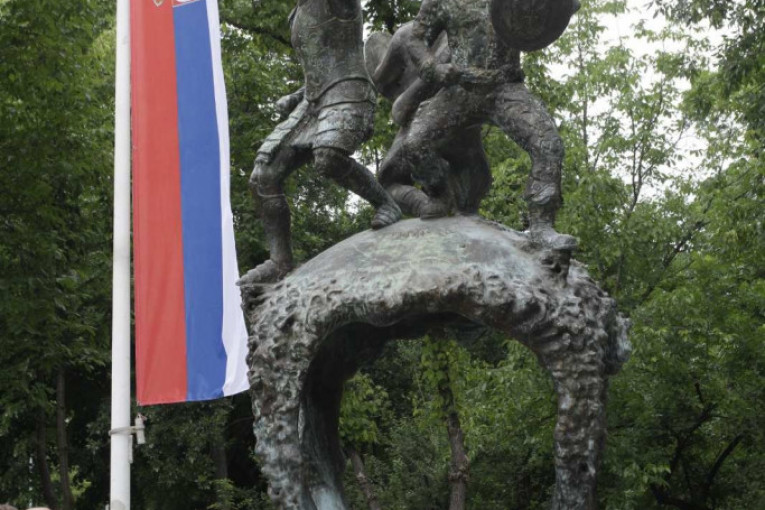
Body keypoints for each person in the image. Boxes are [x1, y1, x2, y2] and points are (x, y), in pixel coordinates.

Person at [377, 0, 581, 249]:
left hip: (505, 88)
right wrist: (432, 67)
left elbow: (552, 14)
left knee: (548, 145)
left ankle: (541, 226)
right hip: (459, 90)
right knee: (415, 144)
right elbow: (415, 39)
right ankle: (440, 195)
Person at [241, 0, 402, 285]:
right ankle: (280, 262)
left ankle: (386, 204)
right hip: (312, 102)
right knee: (263, 175)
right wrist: (296, 95)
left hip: (349, 91)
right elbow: (322, 65)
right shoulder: (297, 13)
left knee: (328, 157)